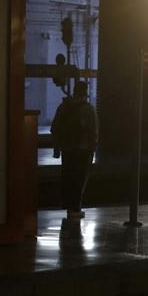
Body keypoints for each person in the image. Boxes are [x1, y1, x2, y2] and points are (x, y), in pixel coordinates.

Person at [51, 80, 98, 219]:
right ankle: (76, 208)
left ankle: (67, 206)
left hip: (67, 148)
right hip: (83, 149)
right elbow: (94, 131)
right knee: (80, 179)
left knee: (68, 177)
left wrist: (57, 148)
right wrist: (93, 147)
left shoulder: (63, 107)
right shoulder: (88, 109)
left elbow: (55, 128)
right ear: (85, 92)